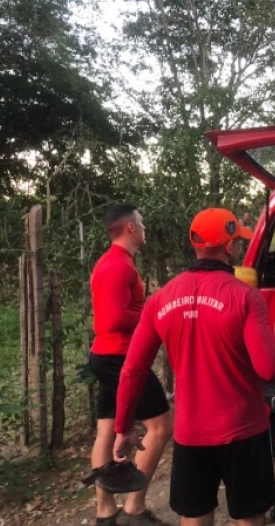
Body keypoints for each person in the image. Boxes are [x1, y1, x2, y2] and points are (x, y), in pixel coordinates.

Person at [112, 207, 275, 526]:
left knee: (194, 518)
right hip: (244, 431)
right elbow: (268, 368)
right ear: (229, 247)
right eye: (237, 240)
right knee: (251, 517)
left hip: (190, 434)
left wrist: (123, 427)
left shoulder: (160, 300)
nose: (238, 247)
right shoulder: (245, 297)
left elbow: (132, 370)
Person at [88, 203, 173, 526]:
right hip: (118, 359)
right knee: (161, 426)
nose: (145, 227)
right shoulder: (117, 266)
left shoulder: (117, 262)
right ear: (130, 229)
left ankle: (105, 513)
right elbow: (113, 318)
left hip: (108, 356)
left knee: (106, 433)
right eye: (142, 222)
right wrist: (153, 314)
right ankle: (134, 509)